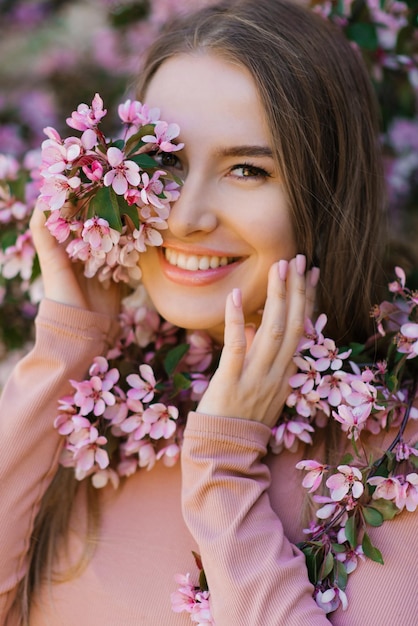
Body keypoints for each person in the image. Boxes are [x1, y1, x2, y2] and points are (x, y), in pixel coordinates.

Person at [0, 0, 417, 624]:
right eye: (164, 162)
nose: (187, 217)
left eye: (247, 169)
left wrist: (224, 471)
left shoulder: (397, 459)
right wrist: (65, 348)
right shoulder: (89, 414)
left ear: (327, 195)